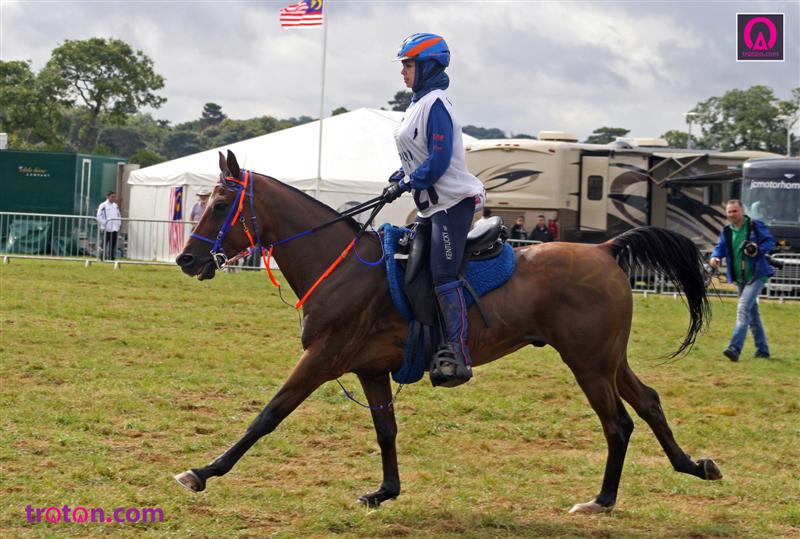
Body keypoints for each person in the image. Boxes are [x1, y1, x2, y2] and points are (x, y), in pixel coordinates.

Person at [381, 32, 486, 387]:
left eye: (409, 65)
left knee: (442, 273)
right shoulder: (417, 104)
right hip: (430, 207)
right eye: (403, 65)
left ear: (427, 67)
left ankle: (457, 352)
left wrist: (408, 182)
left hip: (452, 203)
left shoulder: (436, 104)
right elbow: (420, 156)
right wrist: (401, 175)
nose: (403, 72)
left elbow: (439, 161)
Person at [709, 199, 776, 362]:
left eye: (735, 211)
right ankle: (763, 350)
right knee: (753, 315)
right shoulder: (726, 231)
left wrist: (758, 249)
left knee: (743, 308)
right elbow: (720, 248)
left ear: (742, 211)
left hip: (757, 275)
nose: (732, 214)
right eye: (729, 212)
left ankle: (734, 348)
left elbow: (770, 241)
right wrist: (715, 257)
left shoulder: (754, 225)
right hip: (740, 279)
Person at [96, 191, 121, 261]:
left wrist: (119, 224)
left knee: (113, 244)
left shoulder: (115, 205)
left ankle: (111, 257)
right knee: (104, 243)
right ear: (108, 197)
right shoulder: (103, 205)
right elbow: (99, 216)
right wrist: (105, 223)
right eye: (112, 197)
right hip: (106, 228)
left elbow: (118, 215)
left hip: (114, 228)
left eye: (114, 197)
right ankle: (102, 257)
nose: (114, 198)